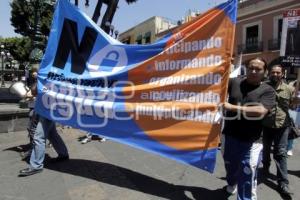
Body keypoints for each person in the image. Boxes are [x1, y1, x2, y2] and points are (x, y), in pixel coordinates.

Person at [221, 57, 276, 199]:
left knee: (247, 173)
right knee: (230, 166)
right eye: (251, 68)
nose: (253, 71)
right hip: (229, 136)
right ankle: (232, 183)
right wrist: (225, 63)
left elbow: (260, 111)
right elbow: (216, 85)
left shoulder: (268, 90)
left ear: (265, 72)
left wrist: (232, 107)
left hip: (251, 141)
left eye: (258, 69)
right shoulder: (234, 82)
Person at [19, 74, 69, 177]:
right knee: (52, 134)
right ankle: (63, 154)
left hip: (47, 109)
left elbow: (34, 90)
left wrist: (33, 90)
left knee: (39, 137)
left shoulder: (48, 73)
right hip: (49, 107)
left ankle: (36, 166)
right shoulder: (56, 73)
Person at [262, 63, 294, 198]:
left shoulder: (289, 89)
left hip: (282, 126)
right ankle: (265, 167)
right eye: (273, 72)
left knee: (280, 154)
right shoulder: (263, 87)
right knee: (265, 149)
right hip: (265, 125)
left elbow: (293, 104)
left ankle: (283, 183)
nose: (275, 74)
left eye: (278, 72)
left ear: (282, 74)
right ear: (269, 73)